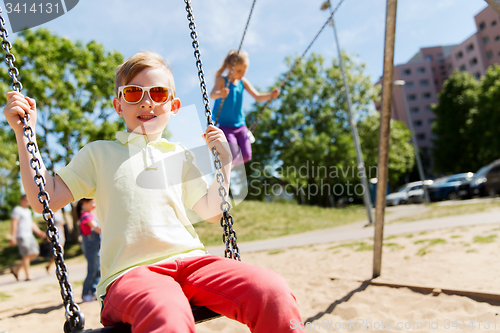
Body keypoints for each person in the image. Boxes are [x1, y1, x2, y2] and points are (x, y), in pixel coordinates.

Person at [4, 51, 303, 333]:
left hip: (193, 264)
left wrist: (224, 163)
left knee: (271, 290)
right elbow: (46, 197)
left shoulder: (182, 154)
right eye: (134, 93)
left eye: (158, 93)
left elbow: (212, 212)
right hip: (131, 274)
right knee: (167, 312)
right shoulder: (99, 153)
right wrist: (24, 132)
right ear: (118, 105)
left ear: (173, 106)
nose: (147, 102)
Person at [210, 50, 279, 166]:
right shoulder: (222, 80)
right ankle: (226, 166)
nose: (242, 73)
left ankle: (230, 164)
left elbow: (257, 96)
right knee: (235, 154)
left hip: (240, 125)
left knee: (247, 155)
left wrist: (270, 95)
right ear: (229, 67)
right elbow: (212, 94)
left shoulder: (243, 82)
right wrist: (220, 94)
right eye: (239, 70)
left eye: (244, 70)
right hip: (225, 126)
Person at [9, 195, 46, 281]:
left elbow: (31, 223)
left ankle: (16, 270)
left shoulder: (28, 211)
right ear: (22, 200)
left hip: (30, 235)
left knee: (35, 253)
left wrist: (39, 232)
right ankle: (28, 275)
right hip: (22, 235)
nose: (29, 203)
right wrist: (13, 237)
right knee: (26, 255)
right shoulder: (17, 210)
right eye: (28, 201)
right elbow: (14, 223)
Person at [76, 198, 101, 302]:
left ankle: (94, 291)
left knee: (98, 269)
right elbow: (97, 229)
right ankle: (86, 293)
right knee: (92, 269)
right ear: (84, 203)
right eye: (92, 202)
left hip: (97, 245)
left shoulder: (92, 215)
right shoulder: (86, 217)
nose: (94, 204)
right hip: (91, 246)